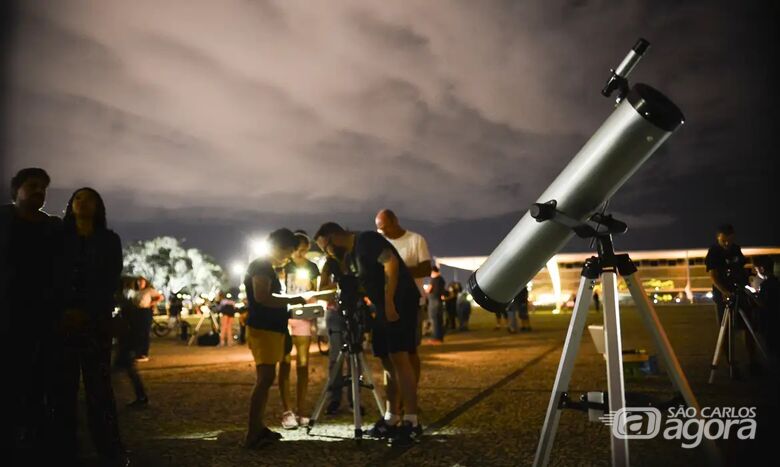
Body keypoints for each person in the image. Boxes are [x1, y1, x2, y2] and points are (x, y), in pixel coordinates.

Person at [315, 222, 422, 446]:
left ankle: (412, 421)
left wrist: (390, 301)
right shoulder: (351, 256)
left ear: (334, 236)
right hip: (381, 307)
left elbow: (390, 263)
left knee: (400, 358)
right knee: (386, 359)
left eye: (326, 246)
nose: (327, 251)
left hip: (399, 301)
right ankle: (392, 416)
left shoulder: (366, 240)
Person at [53, 187, 128, 465]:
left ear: (99, 207)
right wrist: (64, 310)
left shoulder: (109, 240)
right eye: (78, 198)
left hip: (96, 322)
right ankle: (64, 447)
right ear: (71, 205)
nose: (83, 203)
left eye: (90, 199)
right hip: (63, 322)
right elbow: (51, 277)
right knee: (63, 387)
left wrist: (90, 311)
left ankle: (109, 447)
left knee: (100, 388)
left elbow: (110, 279)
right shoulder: (58, 237)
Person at [1, 168, 61, 464]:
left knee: (41, 382)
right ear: (17, 190)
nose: (39, 191)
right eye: (32, 185)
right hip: (8, 314)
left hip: (44, 317)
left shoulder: (53, 227)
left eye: (43, 187)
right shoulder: (2, 220)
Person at [242, 228, 307, 449]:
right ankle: (253, 432)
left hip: (269, 329)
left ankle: (258, 428)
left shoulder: (264, 266)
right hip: (264, 329)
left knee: (266, 378)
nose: (289, 257)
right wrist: (292, 300)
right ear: (280, 247)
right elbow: (262, 297)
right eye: (289, 251)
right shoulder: (261, 265)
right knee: (265, 379)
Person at [375, 209, 430, 379]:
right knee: (391, 352)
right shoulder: (381, 244)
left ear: (395, 221)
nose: (383, 232)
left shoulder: (416, 240)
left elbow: (425, 268)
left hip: (412, 302)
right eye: (379, 229)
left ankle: (411, 393)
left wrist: (397, 271)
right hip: (389, 303)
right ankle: (395, 396)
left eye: (384, 227)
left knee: (411, 350)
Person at [278, 232, 320, 429]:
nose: (301, 254)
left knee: (303, 364)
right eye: (298, 250)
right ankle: (287, 410)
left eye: (305, 250)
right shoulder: (283, 265)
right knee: (284, 362)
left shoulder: (311, 267)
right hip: (285, 316)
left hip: (303, 315)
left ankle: (302, 409)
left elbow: (316, 290)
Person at [705, 224, 757, 377]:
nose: (726, 244)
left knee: (748, 327)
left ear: (733, 237)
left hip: (738, 292)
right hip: (724, 296)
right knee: (726, 330)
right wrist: (724, 291)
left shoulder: (736, 249)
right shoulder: (714, 252)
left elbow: (740, 268)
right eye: (723, 241)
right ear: (718, 238)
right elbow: (713, 276)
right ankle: (731, 364)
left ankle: (753, 362)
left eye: (729, 241)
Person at [315, 232, 350, 415]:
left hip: (352, 313)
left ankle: (354, 398)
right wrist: (339, 285)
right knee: (335, 359)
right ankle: (334, 399)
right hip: (334, 313)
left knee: (355, 359)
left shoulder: (352, 259)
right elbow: (321, 290)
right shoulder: (329, 265)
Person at [114, 277, 149, 409]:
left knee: (126, 370)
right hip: (127, 341)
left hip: (127, 341)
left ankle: (140, 396)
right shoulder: (127, 303)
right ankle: (140, 396)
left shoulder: (127, 304)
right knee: (126, 370)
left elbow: (131, 325)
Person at [129, 276, 162, 362]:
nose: (140, 283)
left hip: (145, 311)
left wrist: (151, 303)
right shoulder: (137, 292)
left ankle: (144, 354)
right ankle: (137, 353)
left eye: (142, 282)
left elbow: (160, 297)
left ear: (145, 283)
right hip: (137, 312)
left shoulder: (149, 290)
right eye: (139, 282)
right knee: (137, 332)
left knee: (144, 332)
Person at [753, 255, 778, 365]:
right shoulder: (776, 282)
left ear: (762, 268)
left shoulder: (766, 285)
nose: (756, 271)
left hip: (769, 322)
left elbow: (762, 304)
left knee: (772, 350)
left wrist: (752, 296)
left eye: (756, 268)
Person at [427, 266, 446, 343]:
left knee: (435, 321)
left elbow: (429, 290)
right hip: (439, 302)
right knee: (439, 320)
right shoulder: (441, 279)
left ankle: (436, 338)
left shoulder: (433, 279)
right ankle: (440, 337)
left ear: (433, 271)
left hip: (433, 302)